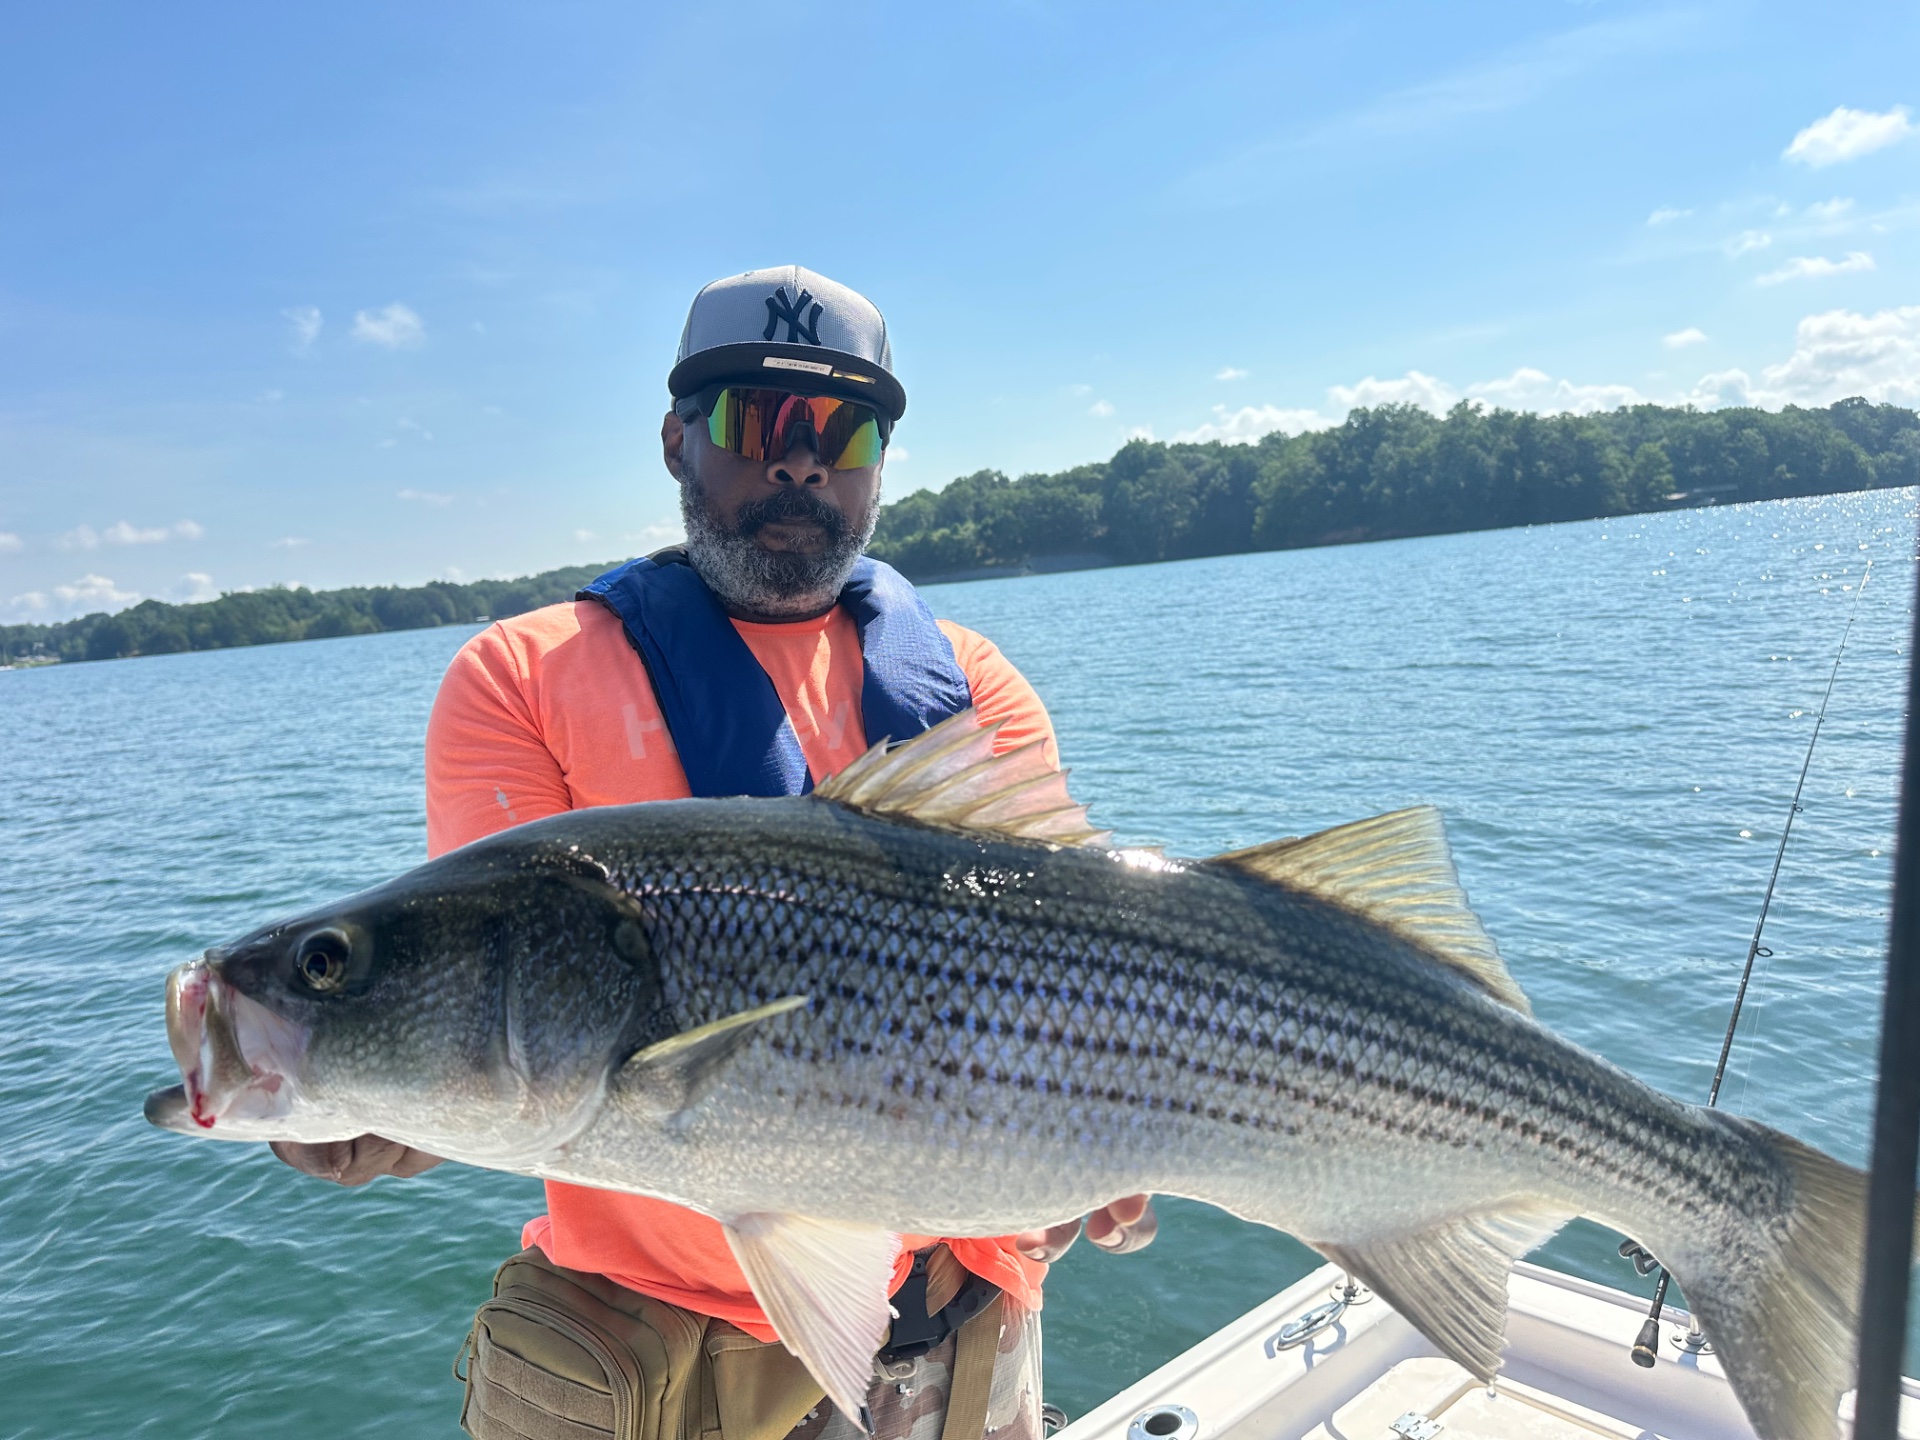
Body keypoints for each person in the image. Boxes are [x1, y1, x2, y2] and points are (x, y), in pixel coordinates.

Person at [270, 266, 1155, 1440]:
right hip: (661, 1354)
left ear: (880, 460)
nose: (801, 460)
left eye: (842, 427)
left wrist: (1120, 1128)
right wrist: (384, 1088)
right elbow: (513, 1026)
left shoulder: (974, 687)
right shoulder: (521, 680)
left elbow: (1071, 980)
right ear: (678, 440)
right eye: (755, 421)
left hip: (955, 1321)